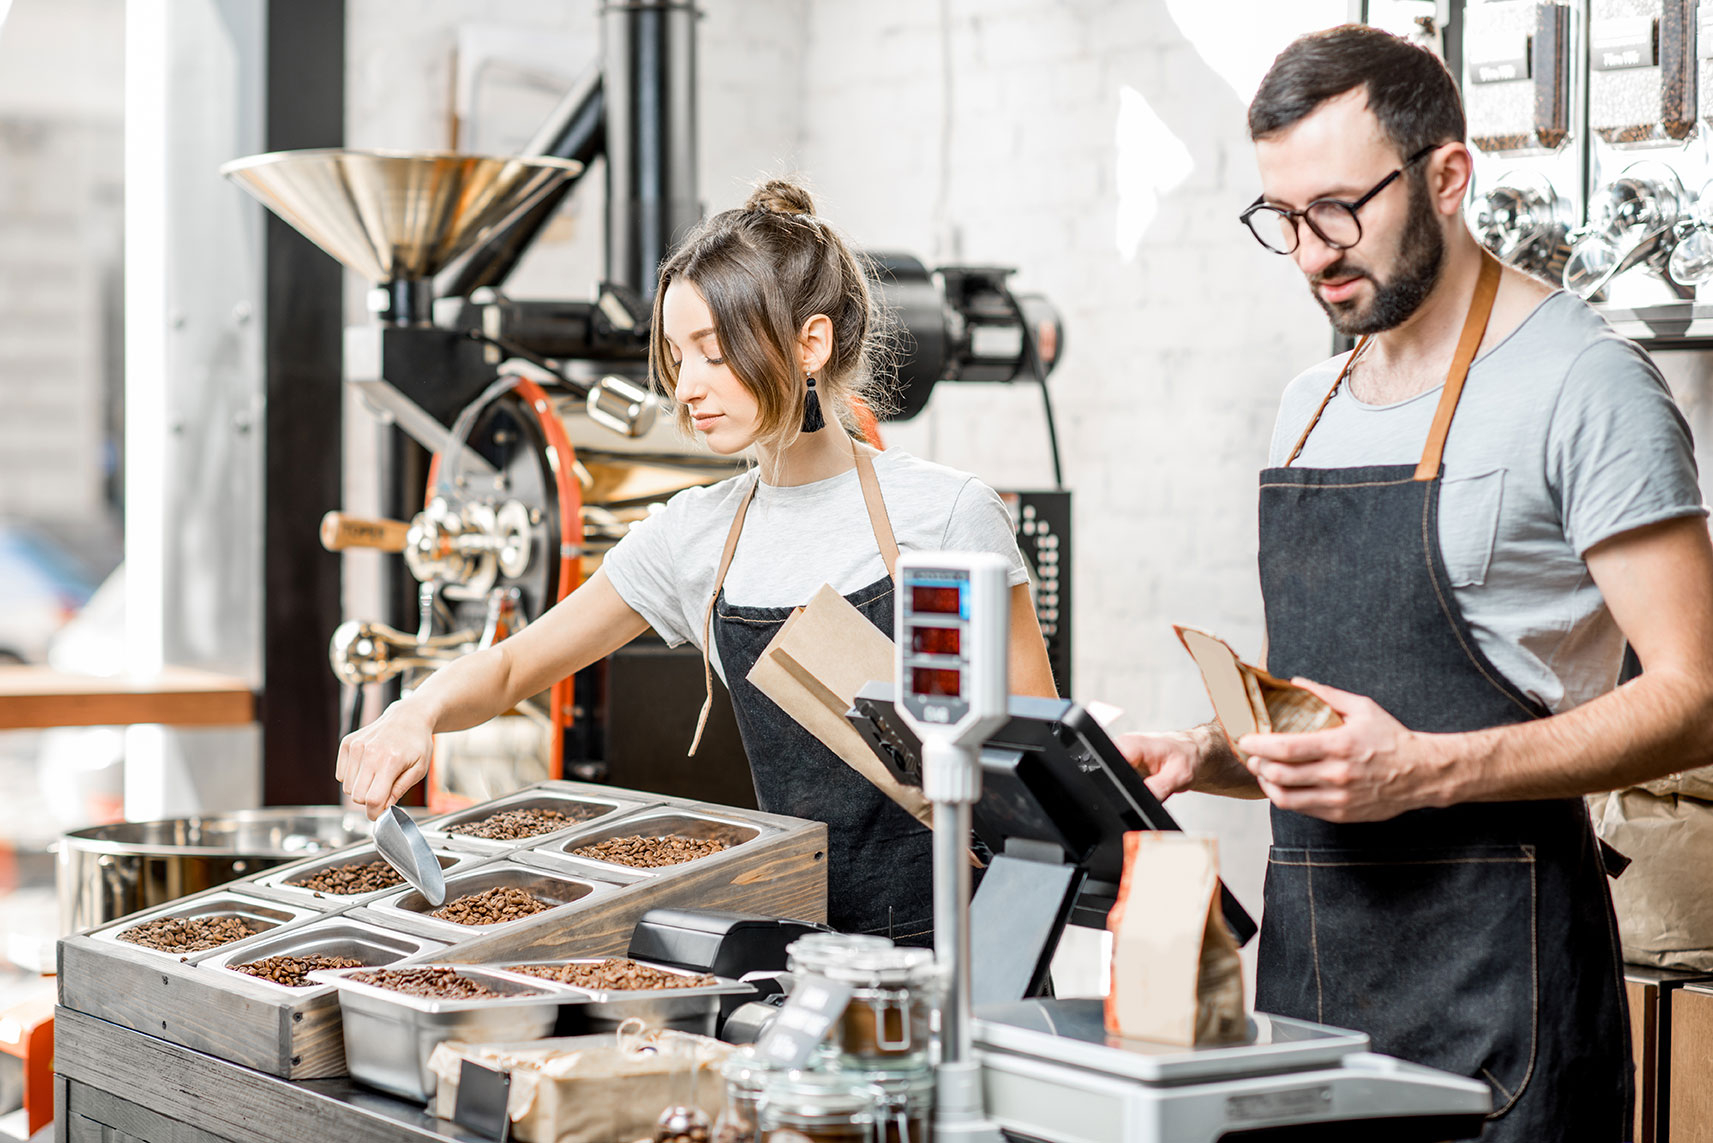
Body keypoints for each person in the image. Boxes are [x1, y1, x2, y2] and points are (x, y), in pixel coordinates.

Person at [1119, 25, 1713, 1142]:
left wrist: (1433, 769)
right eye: (1283, 219)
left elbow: (1699, 694)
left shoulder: (1584, 385)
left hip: (1504, 1012)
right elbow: (1330, 723)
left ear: (1447, 177)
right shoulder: (1310, 402)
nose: (1310, 252)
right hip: (1309, 1006)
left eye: (1340, 209)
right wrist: (1205, 753)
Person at [338, 178, 1057, 946]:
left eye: (714, 354)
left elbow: (1045, 780)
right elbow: (513, 667)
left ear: (810, 345)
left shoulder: (945, 516)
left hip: (964, 951)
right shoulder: (695, 535)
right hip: (797, 952)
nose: (686, 388)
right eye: (678, 356)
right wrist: (411, 714)